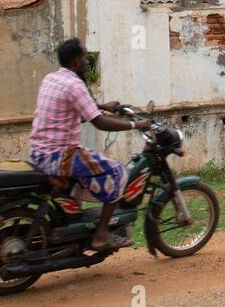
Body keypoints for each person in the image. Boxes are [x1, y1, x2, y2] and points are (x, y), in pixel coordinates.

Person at [29, 37, 149, 249]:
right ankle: (101, 234)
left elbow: (80, 109)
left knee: (90, 164)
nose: (87, 61)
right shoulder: (75, 85)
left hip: (39, 152)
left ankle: (77, 222)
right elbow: (99, 123)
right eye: (85, 56)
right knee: (118, 173)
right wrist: (135, 126)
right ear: (76, 61)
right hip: (60, 155)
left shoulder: (52, 78)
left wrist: (104, 105)